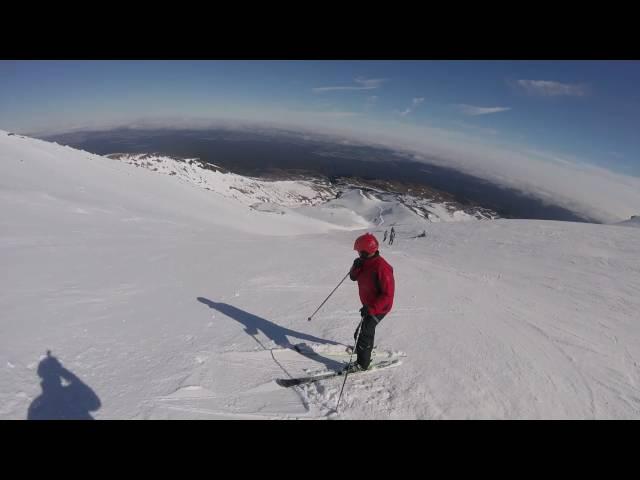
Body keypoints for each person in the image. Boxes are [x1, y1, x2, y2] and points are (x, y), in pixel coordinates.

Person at [346, 233, 395, 372]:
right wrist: (355, 266)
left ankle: (362, 364)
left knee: (363, 334)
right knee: (361, 333)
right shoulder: (365, 262)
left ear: (365, 251)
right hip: (369, 305)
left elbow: (388, 295)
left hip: (379, 308)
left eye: (359, 252)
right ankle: (365, 349)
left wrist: (371, 308)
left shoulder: (382, 268)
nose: (358, 254)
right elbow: (353, 277)